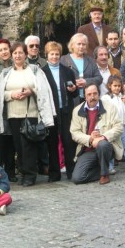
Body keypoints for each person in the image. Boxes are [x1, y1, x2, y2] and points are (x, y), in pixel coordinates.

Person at [0, 42, 55, 187]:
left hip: (31, 113)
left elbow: (43, 89)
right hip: (13, 114)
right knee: (18, 145)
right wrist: (12, 95)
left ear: (25, 54)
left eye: (20, 53)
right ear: (11, 55)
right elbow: (0, 94)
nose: (17, 55)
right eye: (15, 53)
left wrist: (31, 91)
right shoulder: (6, 73)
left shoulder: (34, 70)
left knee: (29, 145)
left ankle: (30, 175)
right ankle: (23, 171)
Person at [69, 84, 123, 185]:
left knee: (102, 144)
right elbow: (74, 133)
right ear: (85, 96)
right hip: (87, 149)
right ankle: (102, 169)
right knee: (77, 178)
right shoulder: (77, 110)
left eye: (95, 94)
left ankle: (104, 175)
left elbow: (119, 127)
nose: (92, 97)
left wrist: (103, 137)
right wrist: (90, 139)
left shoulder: (110, 107)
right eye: (89, 94)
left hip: (107, 146)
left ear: (99, 94)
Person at [42, 41, 76, 181]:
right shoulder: (42, 72)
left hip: (66, 110)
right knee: (52, 141)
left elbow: (74, 94)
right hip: (51, 111)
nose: (54, 57)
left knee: (69, 141)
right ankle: (54, 172)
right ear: (47, 55)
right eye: (52, 54)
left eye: (57, 54)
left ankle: (71, 171)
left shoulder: (68, 71)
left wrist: (73, 90)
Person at [102, 75, 125, 172]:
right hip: (112, 127)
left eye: (119, 86)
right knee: (112, 146)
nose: (117, 88)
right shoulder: (106, 98)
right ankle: (110, 166)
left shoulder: (123, 97)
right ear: (110, 86)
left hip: (124, 125)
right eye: (115, 86)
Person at [60, 33, 103, 105]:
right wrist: (72, 83)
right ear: (72, 45)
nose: (81, 46)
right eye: (79, 44)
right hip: (70, 100)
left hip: (89, 100)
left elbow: (99, 78)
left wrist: (86, 81)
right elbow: (59, 79)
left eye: (84, 44)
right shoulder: (63, 60)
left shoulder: (91, 60)